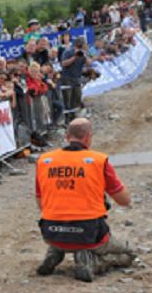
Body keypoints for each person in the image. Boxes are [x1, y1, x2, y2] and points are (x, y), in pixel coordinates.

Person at [35, 118, 136, 282]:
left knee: (62, 221)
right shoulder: (99, 161)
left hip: (51, 232)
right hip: (89, 233)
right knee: (128, 254)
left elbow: (41, 202)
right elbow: (124, 200)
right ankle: (92, 262)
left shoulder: (44, 161)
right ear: (89, 137)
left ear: (67, 137)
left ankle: (55, 251)